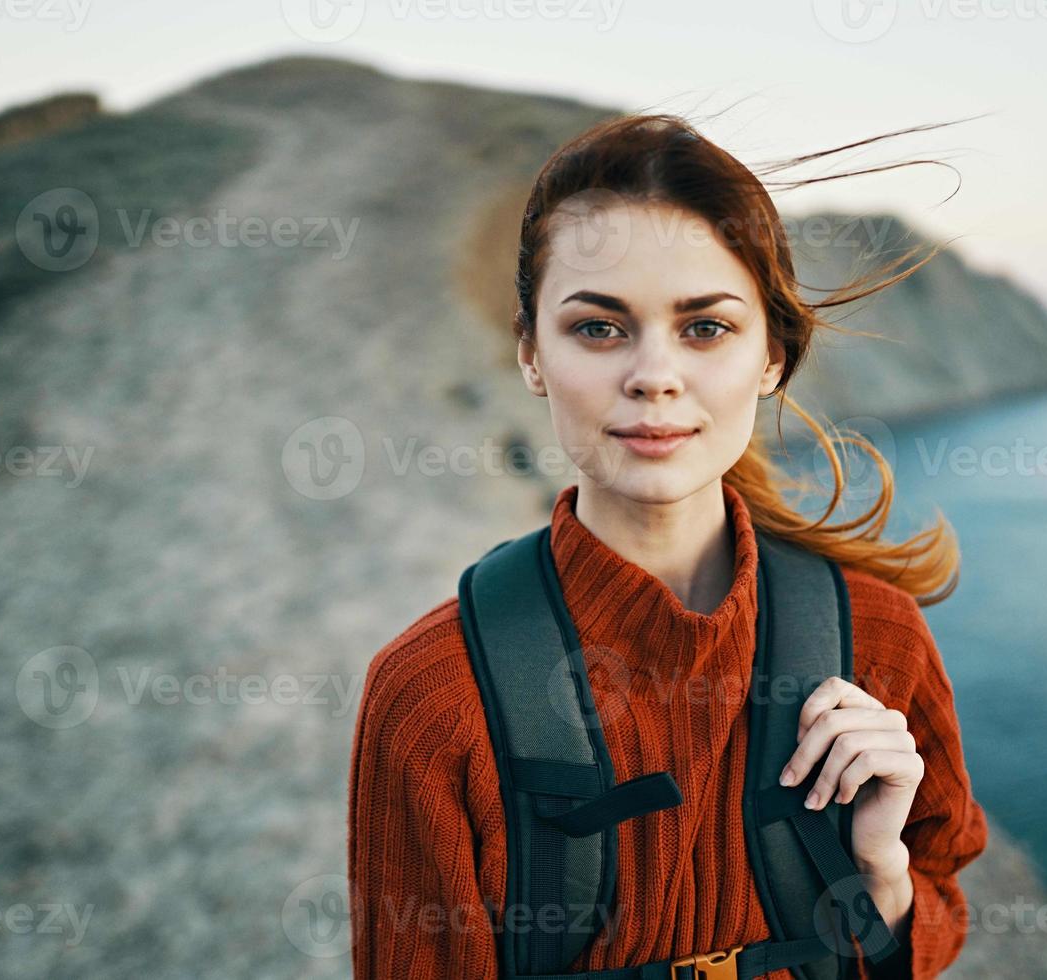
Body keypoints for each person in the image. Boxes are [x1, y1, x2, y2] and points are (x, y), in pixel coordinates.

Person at [348, 112, 988, 979]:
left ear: (773, 357)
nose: (655, 374)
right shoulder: (432, 698)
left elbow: (939, 908)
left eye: (706, 327)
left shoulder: (879, 636)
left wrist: (879, 875)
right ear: (530, 353)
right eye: (599, 328)